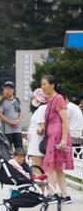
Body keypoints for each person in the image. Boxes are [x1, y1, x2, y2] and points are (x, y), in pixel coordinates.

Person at [40, 75, 73, 204]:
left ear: (52, 85)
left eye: (44, 84)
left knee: (51, 167)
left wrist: (64, 139)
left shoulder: (58, 98)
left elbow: (65, 120)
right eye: (41, 85)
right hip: (52, 137)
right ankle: (65, 196)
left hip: (58, 138)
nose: (42, 87)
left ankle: (51, 194)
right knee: (57, 168)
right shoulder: (50, 100)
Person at [0, 81, 23, 149]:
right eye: (6, 88)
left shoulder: (17, 100)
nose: (8, 90)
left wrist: (18, 120)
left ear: (13, 90)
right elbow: (0, 115)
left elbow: (21, 112)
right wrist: (10, 122)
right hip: (7, 131)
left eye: (10, 88)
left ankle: (20, 160)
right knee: (7, 151)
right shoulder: (1, 101)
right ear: (3, 90)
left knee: (19, 150)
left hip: (17, 130)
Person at [27, 88, 49, 167]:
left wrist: (38, 131)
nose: (33, 100)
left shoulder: (41, 109)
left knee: (37, 167)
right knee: (40, 167)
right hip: (37, 142)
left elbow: (42, 127)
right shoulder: (45, 108)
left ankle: (38, 179)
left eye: (34, 98)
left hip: (37, 143)